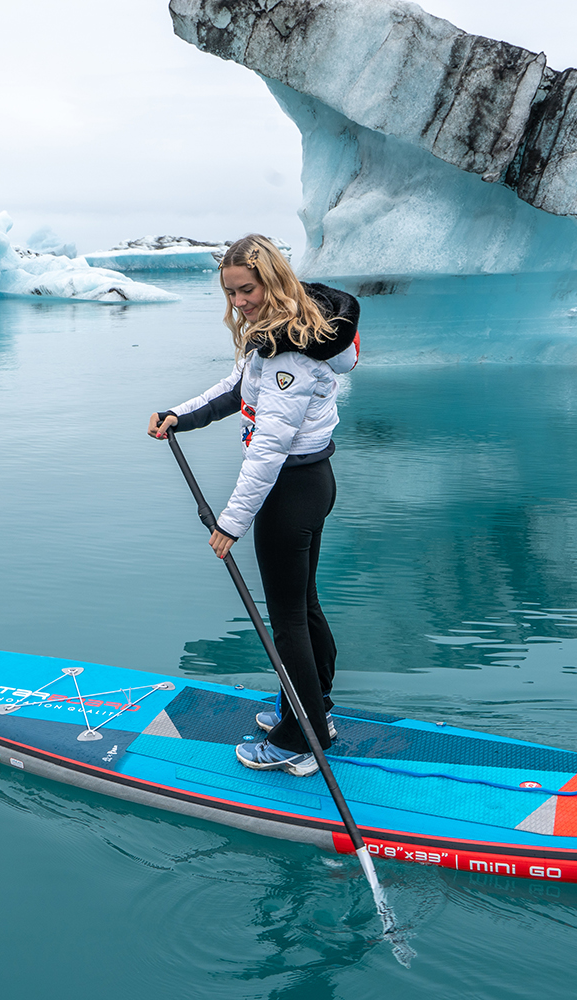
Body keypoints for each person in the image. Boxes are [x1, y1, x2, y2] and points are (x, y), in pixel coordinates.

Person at [148, 234, 360, 776]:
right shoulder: (281, 336)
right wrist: (180, 415)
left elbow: (269, 447)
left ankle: (300, 737)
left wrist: (230, 523)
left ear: (273, 280)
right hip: (309, 483)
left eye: (247, 290)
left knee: (287, 619)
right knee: (303, 606)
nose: (239, 302)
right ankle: (313, 710)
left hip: (290, 491)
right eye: (231, 293)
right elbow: (236, 389)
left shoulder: (292, 353)